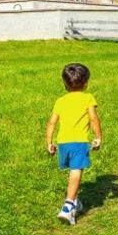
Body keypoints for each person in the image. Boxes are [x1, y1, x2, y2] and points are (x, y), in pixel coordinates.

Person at [46, 62, 103, 225]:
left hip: (63, 142)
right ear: (86, 83)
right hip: (79, 142)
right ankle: (68, 206)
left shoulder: (60, 101)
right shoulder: (88, 98)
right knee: (76, 171)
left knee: (72, 170)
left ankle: (75, 201)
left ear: (65, 84)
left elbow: (51, 122)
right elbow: (93, 118)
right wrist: (98, 136)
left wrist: (49, 142)